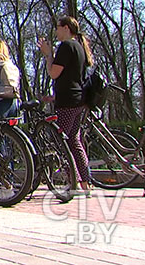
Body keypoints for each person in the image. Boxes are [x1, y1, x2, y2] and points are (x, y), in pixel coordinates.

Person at [38, 15, 92, 194]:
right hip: (78, 100)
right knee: (75, 141)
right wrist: (55, 97)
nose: (56, 31)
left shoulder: (66, 46)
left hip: (68, 102)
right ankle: (85, 183)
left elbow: (54, 73)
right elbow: (73, 77)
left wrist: (48, 55)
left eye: (58, 27)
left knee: (62, 141)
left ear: (66, 28)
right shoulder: (80, 48)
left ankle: (73, 182)